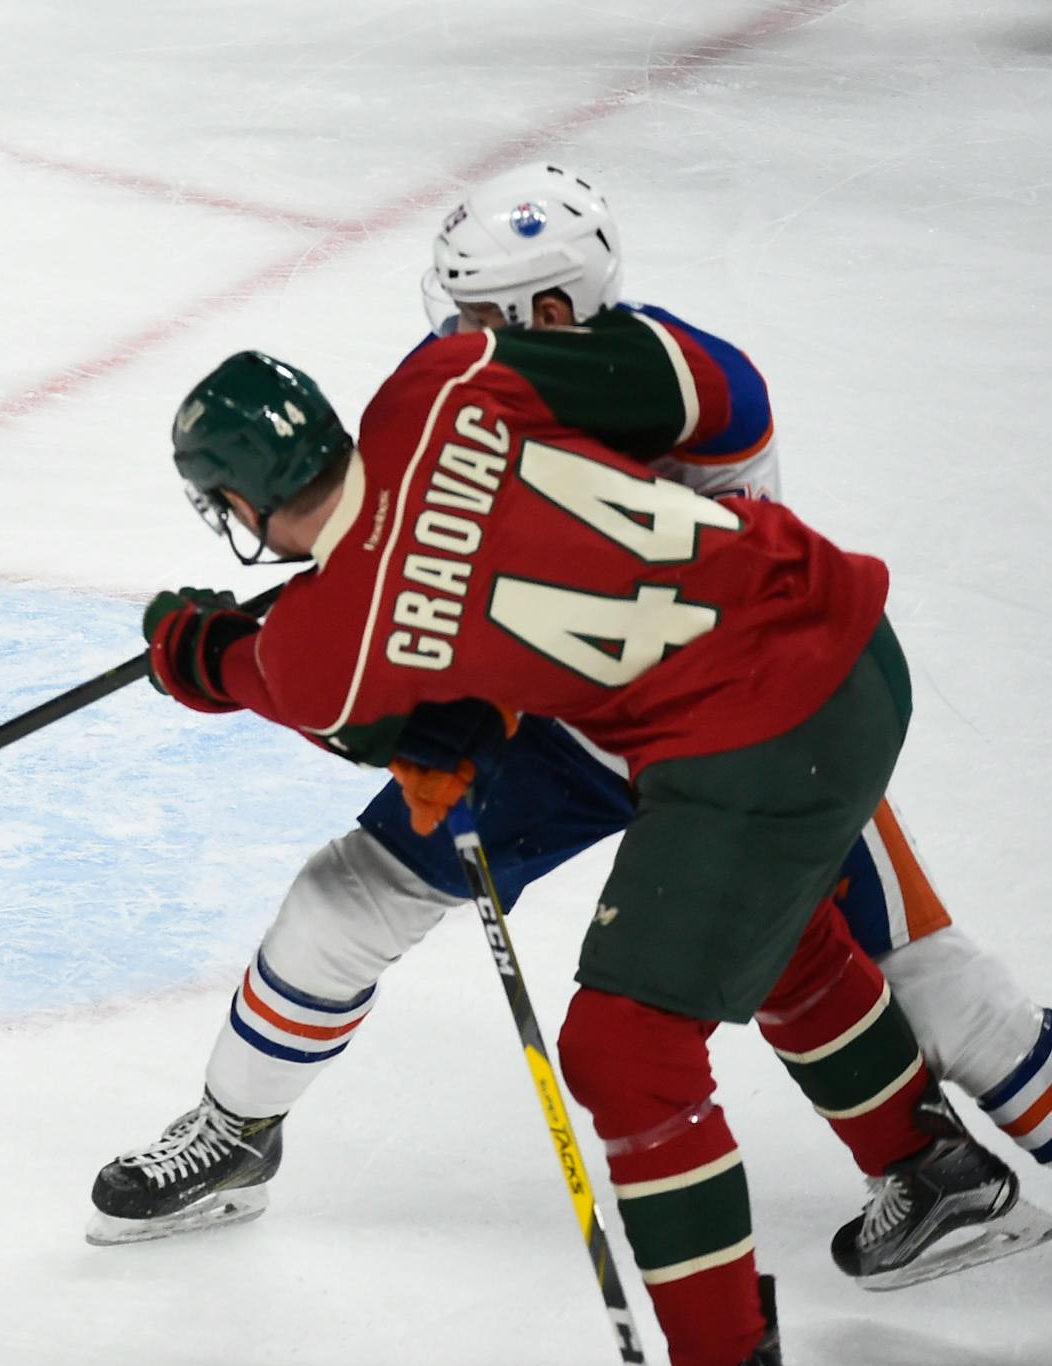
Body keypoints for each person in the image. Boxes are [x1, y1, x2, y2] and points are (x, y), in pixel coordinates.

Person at [91, 165, 1052, 1293]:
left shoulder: (684, 390)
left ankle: (936, 1168)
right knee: (341, 901)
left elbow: (526, 604)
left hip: (726, 723)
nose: (452, 335)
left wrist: (311, 655)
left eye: (476, 316)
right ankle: (237, 1131)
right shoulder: (519, 374)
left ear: (554, 310)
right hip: (572, 730)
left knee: (911, 965)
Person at [125, 334, 992, 1366]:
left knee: (626, 1047)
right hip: (826, 631)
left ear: (235, 502)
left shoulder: (331, 649)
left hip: (751, 731)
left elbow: (269, 669)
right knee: (753, 928)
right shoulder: (449, 378)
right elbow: (669, 402)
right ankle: (931, 1165)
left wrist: (191, 642)